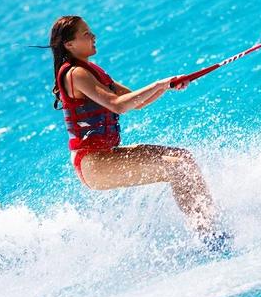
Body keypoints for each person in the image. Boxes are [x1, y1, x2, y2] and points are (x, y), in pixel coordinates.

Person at [47, 16, 229, 251]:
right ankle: (211, 239)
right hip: (94, 164)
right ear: (69, 45)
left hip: (103, 157)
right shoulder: (75, 74)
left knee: (183, 158)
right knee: (178, 167)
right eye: (85, 34)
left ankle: (212, 229)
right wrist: (158, 84)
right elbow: (118, 105)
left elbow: (137, 102)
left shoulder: (90, 71)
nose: (93, 37)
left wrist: (168, 85)